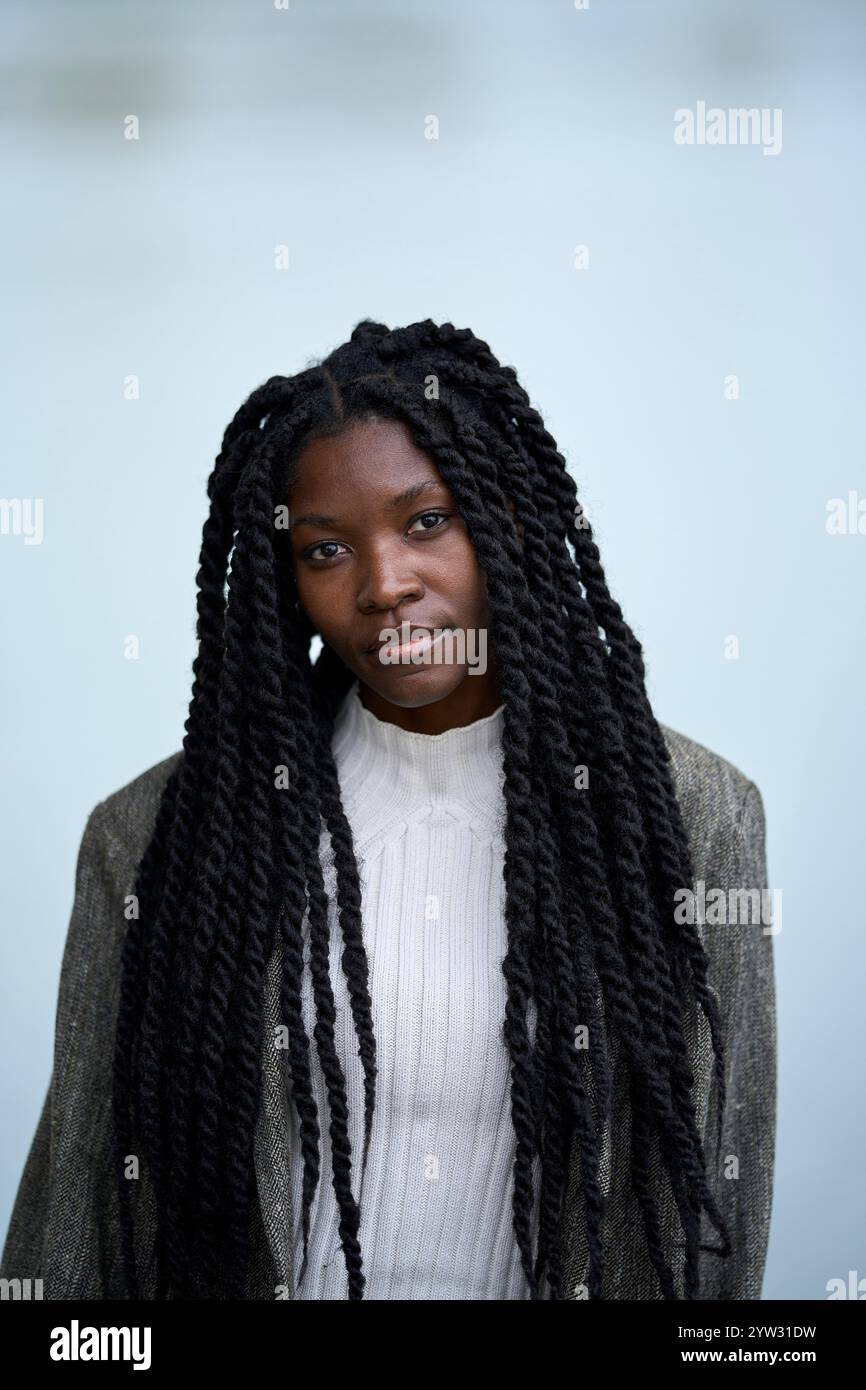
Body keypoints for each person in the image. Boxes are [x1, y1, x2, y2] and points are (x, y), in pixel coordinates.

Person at [0, 318, 776, 1301]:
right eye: (325, 550)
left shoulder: (688, 817)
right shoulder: (160, 836)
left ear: (510, 518)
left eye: (425, 522)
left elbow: (716, 1212)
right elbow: (75, 1203)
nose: (382, 585)